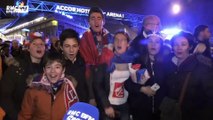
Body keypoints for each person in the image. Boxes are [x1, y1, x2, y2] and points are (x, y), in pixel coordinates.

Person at [162, 31, 213, 120]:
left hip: (194, 114)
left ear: (190, 47)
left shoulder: (201, 67)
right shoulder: (168, 64)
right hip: (172, 112)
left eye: (183, 44)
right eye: (175, 44)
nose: (179, 48)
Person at [18, 52, 78, 120]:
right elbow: (24, 116)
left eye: (57, 67)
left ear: (63, 70)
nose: (53, 71)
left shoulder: (69, 89)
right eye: (49, 67)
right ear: (44, 70)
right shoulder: (33, 89)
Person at [0, 32, 46, 120]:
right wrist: (17, 116)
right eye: (34, 44)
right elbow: (4, 95)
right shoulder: (17, 67)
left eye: (41, 44)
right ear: (28, 48)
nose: (39, 46)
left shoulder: (47, 68)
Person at [125, 33, 168, 120]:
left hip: (159, 110)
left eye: (157, 42)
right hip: (140, 109)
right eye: (150, 41)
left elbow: (166, 83)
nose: (153, 45)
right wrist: (141, 89)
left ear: (161, 45)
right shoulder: (136, 61)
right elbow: (127, 83)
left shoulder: (165, 63)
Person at [94, 31, 132, 120]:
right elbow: (97, 84)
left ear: (127, 44)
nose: (119, 42)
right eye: (116, 40)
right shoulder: (105, 58)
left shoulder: (132, 61)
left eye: (123, 40)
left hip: (125, 105)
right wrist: (106, 105)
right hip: (109, 105)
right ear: (113, 43)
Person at [80, 7, 114, 105]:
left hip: (109, 83)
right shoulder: (84, 40)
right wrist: (91, 96)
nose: (96, 21)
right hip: (92, 84)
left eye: (99, 18)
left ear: (103, 21)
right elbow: (88, 67)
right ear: (89, 22)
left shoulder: (110, 37)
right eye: (93, 18)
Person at [59, 29, 89, 102]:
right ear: (61, 47)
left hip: (83, 105)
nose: (71, 50)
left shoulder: (84, 62)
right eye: (67, 46)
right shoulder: (57, 66)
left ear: (79, 47)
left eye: (74, 46)